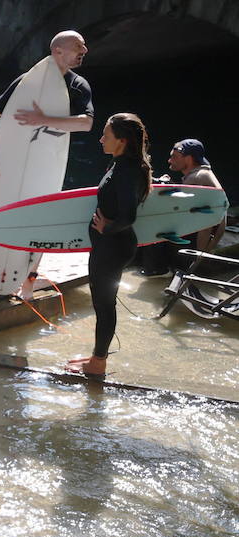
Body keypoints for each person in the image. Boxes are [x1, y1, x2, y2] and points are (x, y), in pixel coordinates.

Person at [0, 30, 94, 299]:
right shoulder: (26, 81)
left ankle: (28, 282)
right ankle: (1, 274)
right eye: (78, 46)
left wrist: (42, 119)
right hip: (13, 160)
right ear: (58, 51)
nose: (85, 50)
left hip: (46, 163)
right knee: (7, 207)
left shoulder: (78, 85)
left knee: (42, 218)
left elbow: (86, 123)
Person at [66, 113, 151, 378]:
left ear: (122, 141)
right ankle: (96, 356)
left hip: (112, 248)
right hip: (110, 247)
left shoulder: (126, 171)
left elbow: (129, 216)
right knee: (103, 305)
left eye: (107, 135)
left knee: (104, 308)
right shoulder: (124, 164)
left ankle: (98, 364)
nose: (101, 139)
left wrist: (106, 228)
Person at [138, 138, 225, 276]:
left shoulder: (196, 177)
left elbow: (174, 209)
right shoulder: (203, 174)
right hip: (205, 237)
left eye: (174, 157)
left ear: (189, 159)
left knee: (153, 226)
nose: (169, 160)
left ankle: (157, 270)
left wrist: (158, 184)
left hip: (197, 246)